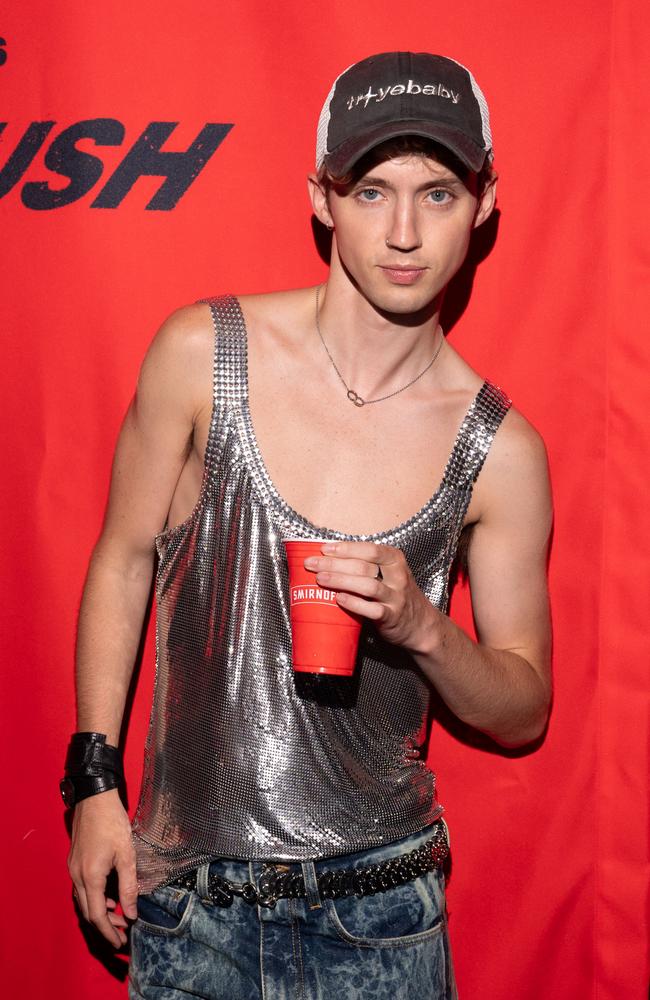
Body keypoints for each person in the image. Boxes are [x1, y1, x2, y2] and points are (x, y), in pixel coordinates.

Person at [62, 51, 552, 1000]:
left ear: (485, 204)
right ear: (322, 197)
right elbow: (122, 561)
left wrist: (424, 629)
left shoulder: (501, 449)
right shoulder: (202, 354)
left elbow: (524, 710)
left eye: (438, 194)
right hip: (190, 903)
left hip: (383, 916)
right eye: (372, 190)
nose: (404, 232)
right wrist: (92, 784)